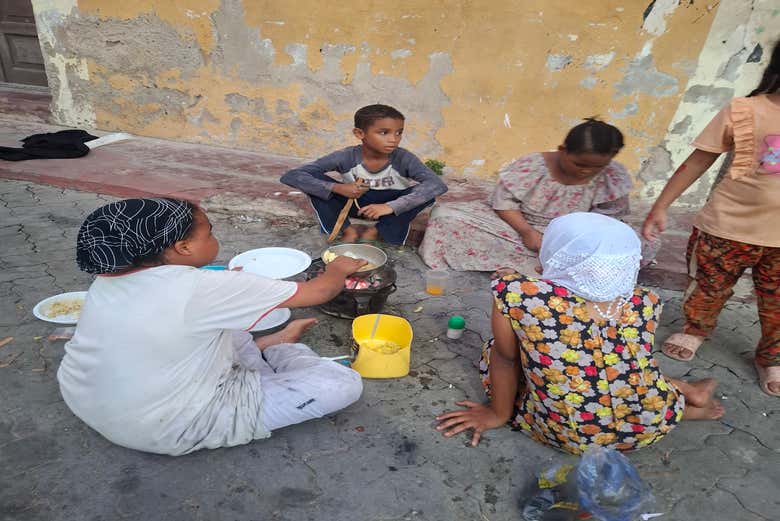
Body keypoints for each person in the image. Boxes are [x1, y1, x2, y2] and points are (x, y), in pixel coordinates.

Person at [57, 198, 367, 456]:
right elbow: (320, 292)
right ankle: (282, 350)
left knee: (228, 323)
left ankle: (261, 352)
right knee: (341, 385)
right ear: (183, 247)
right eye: (209, 233)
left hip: (87, 396)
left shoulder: (109, 277)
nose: (213, 239)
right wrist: (338, 267)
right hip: (166, 425)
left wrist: (231, 286)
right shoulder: (202, 288)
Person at [434, 213, 723, 454]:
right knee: (618, 362)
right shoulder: (646, 300)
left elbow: (506, 361)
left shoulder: (516, 294)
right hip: (647, 424)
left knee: (496, 349)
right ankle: (689, 402)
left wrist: (497, 414)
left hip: (570, 435)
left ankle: (691, 398)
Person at [642, 39, 780, 397]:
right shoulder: (744, 110)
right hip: (726, 227)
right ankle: (695, 330)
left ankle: (771, 357)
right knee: (708, 288)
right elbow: (700, 160)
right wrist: (661, 205)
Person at [419, 118, 656, 274]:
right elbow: (503, 202)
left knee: (639, 244)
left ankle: (552, 266)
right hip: (519, 227)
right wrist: (528, 232)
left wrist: (565, 243)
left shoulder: (612, 177)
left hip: (574, 237)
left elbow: (606, 221)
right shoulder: (533, 165)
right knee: (445, 215)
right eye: (579, 163)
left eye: (596, 167)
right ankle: (546, 267)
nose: (586, 171)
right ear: (563, 150)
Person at [280, 104, 448, 245]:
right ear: (360, 134)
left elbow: (437, 185)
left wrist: (390, 207)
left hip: (391, 208)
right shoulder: (345, 156)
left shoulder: (404, 158)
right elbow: (292, 175)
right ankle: (347, 231)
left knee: (426, 194)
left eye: (399, 132)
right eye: (384, 132)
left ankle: (377, 232)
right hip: (355, 204)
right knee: (314, 184)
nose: (394, 139)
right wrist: (338, 187)